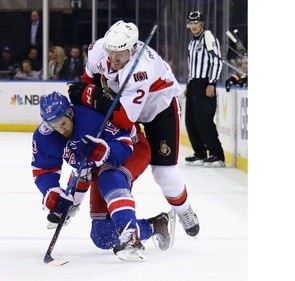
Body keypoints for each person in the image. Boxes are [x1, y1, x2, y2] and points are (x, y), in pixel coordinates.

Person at [67, 20, 200, 237]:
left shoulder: (140, 70)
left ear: (134, 48)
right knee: (100, 158)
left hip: (159, 109)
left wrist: (93, 97)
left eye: (120, 53)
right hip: (123, 105)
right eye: (110, 51)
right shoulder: (97, 50)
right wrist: (89, 96)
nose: (113, 58)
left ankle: (184, 210)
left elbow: (124, 120)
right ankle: (79, 199)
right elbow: (86, 84)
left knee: (163, 173)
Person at [31, 91, 174, 261]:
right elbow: (44, 170)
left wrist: (104, 151)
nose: (61, 130)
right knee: (103, 236)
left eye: (63, 123)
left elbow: (124, 144)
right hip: (97, 165)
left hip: (132, 150)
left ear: (70, 113)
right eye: (55, 126)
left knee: (109, 177)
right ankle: (155, 225)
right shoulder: (45, 136)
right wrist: (52, 193)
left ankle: (130, 238)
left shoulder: (90, 119)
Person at [184, 11, 225, 167]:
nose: (194, 26)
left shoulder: (208, 38)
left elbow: (217, 62)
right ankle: (200, 153)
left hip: (205, 84)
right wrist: (189, 83)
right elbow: (191, 66)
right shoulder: (192, 43)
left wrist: (211, 83)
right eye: (191, 23)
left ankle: (217, 155)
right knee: (191, 121)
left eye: (196, 23)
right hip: (194, 84)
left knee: (205, 121)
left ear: (202, 24)